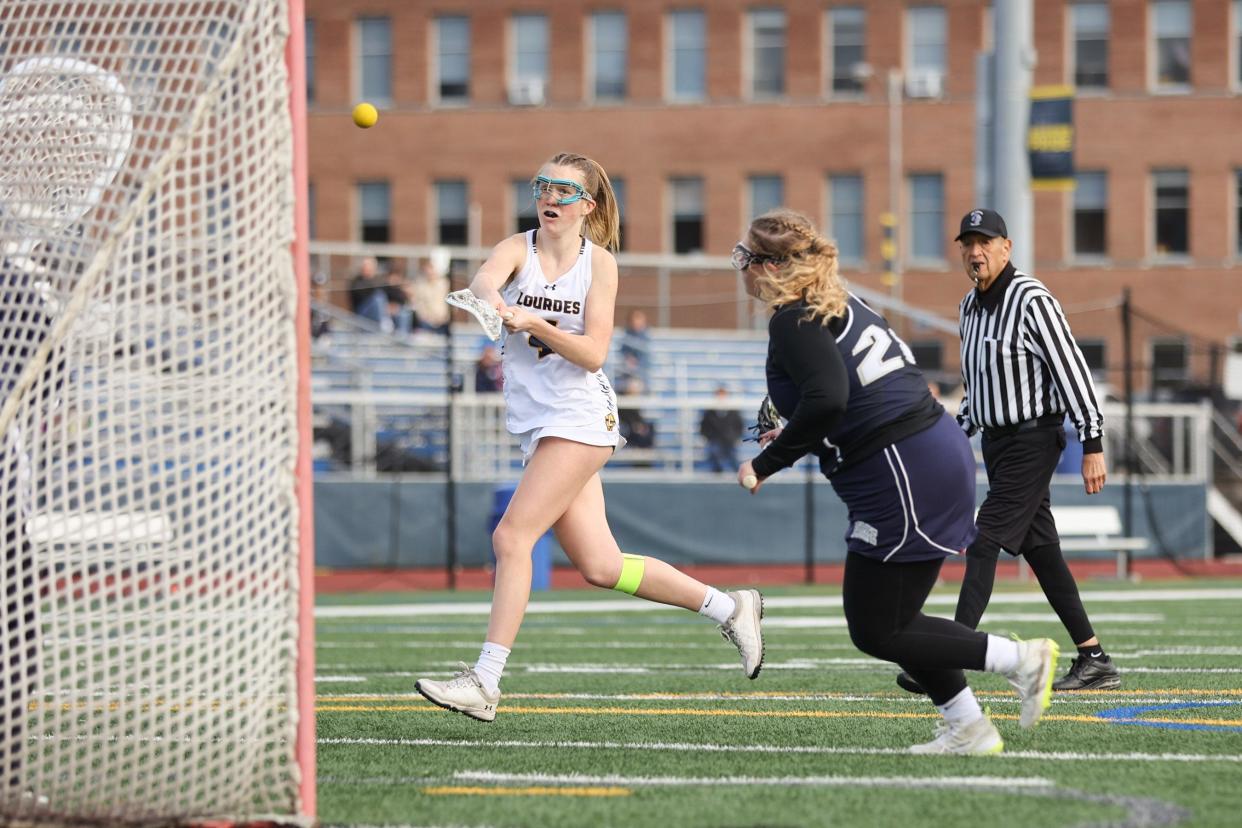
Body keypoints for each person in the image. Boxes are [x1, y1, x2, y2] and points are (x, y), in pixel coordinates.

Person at [414, 152, 765, 722]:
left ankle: (485, 680)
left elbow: (594, 353)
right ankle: (730, 607)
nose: (549, 197)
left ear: (588, 205)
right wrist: (493, 301)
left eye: (563, 190)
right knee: (602, 566)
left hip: (579, 417)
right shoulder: (517, 247)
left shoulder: (598, 263)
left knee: (511, 538)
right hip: (540, 422)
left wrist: (534, 323)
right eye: (542, 186)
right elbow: (483, 281)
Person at [734, 208, 1058, 754]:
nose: (738, 265)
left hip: (903, 466)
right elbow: (846, 396)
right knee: (894, 619)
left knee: (877, 627)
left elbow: (830, 398)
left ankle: (1021, 661)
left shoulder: (792, 317)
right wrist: (798, 432)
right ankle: (968, 727)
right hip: (919, 456)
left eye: (745, 256)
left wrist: (767, 463)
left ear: (769, 266)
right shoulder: (834, 302)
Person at [896, 208, 1118, 696]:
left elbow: (1072, 369)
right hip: (998, 445)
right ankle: (1095, 657)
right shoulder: (967, 308)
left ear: (1006, 247)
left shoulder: (1031, 299)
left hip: (1034, 440)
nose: (976, 252)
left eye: (985, 242)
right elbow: (978, 387)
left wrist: (1092, 441)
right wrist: (954, 439)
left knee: (983, 539)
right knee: (1043, 553)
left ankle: (947, 658)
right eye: (968, 244)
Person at [699, 384, 743, 472]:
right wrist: (709, 438)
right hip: (715, 440)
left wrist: (735, 437)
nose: (721, 397)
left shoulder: (734, 410)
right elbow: (703, 427)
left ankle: (738, 475)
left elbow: (739, 426)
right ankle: (718, 473)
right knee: (714, 453)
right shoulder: (709, 411)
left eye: (723, 395)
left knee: (733, 457)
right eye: (719, 395)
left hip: (730, 440)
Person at [409, 258, 451, 334]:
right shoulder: (420, 285)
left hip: (443, 322)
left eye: (431, 269)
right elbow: (417, 304)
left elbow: (451, 303)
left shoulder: (444, 284)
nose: (429, 272)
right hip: (426, 323)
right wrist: (426, 317)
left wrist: (445, 317)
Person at [619, 308, 651, 388]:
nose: (636, 322)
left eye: (639, 319)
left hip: (641, 376)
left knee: (633, 386)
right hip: (627, 375)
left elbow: (645, 364)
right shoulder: (626, 337)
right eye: (634, 319)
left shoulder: (646, 338)